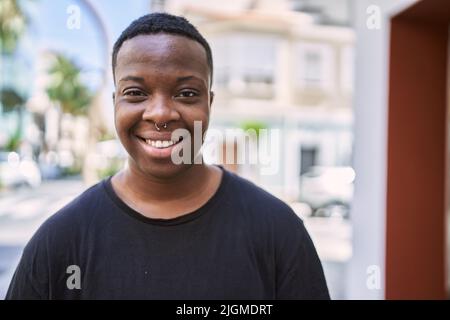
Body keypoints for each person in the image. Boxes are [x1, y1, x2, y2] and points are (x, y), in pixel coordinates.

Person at [6, 12, 329, 300]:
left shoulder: (276, 230)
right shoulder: (61, 239)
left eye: (186, 93)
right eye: (136, 93)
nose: (160, 113)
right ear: (116, 101)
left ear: (209, 104)